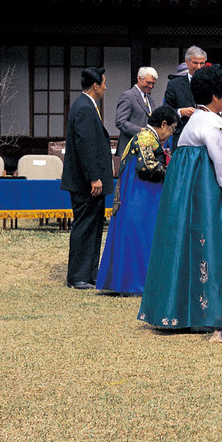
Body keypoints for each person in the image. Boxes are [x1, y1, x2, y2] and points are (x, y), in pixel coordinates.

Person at [138, 65, 222, 332]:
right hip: (207, 195)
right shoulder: (215, 123)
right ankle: (211, 312)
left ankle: (176, 310)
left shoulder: (194, 121)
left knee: (182, 246)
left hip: (185, 194)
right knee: (214, 244)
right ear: (216, 95)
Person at [97, 105, 178, 295]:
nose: (171, 133)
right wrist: (172, 172)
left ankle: (129, 281)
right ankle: (137, 282)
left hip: (137, 191)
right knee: (141, 233)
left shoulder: (144, 137)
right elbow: (148, 167)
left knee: (135, 233)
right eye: (172, 129)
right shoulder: (145, 138)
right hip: (141, 194)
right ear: (163, 124)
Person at [61, 67, 114, 290]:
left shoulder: (87, 106)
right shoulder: (83, 107)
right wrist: (94, 177)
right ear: (95, 85)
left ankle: (90, 273)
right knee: (84, 226)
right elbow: (85, 145)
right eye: (103, 82)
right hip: (85, 183)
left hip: (92, 182)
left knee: (94, 226)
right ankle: (77, 276)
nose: (105, 86)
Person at [164, 46, 208, 147]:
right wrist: (180, 112)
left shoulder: (211, 83)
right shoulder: (174, 85)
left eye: (202, 63)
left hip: (205, 137)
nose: (199, 67)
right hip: (181, 136)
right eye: (195, 63)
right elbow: (166, 110)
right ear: (187, 62)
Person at [115, 67, 157, 157]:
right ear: (139, 78)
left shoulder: (151, 100)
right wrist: (140, 130)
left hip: (146, 151)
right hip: (130, 149)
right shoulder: (128, 96)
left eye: (153, 83)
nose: (151, 86)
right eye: (148, 82)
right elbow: (120, 122)